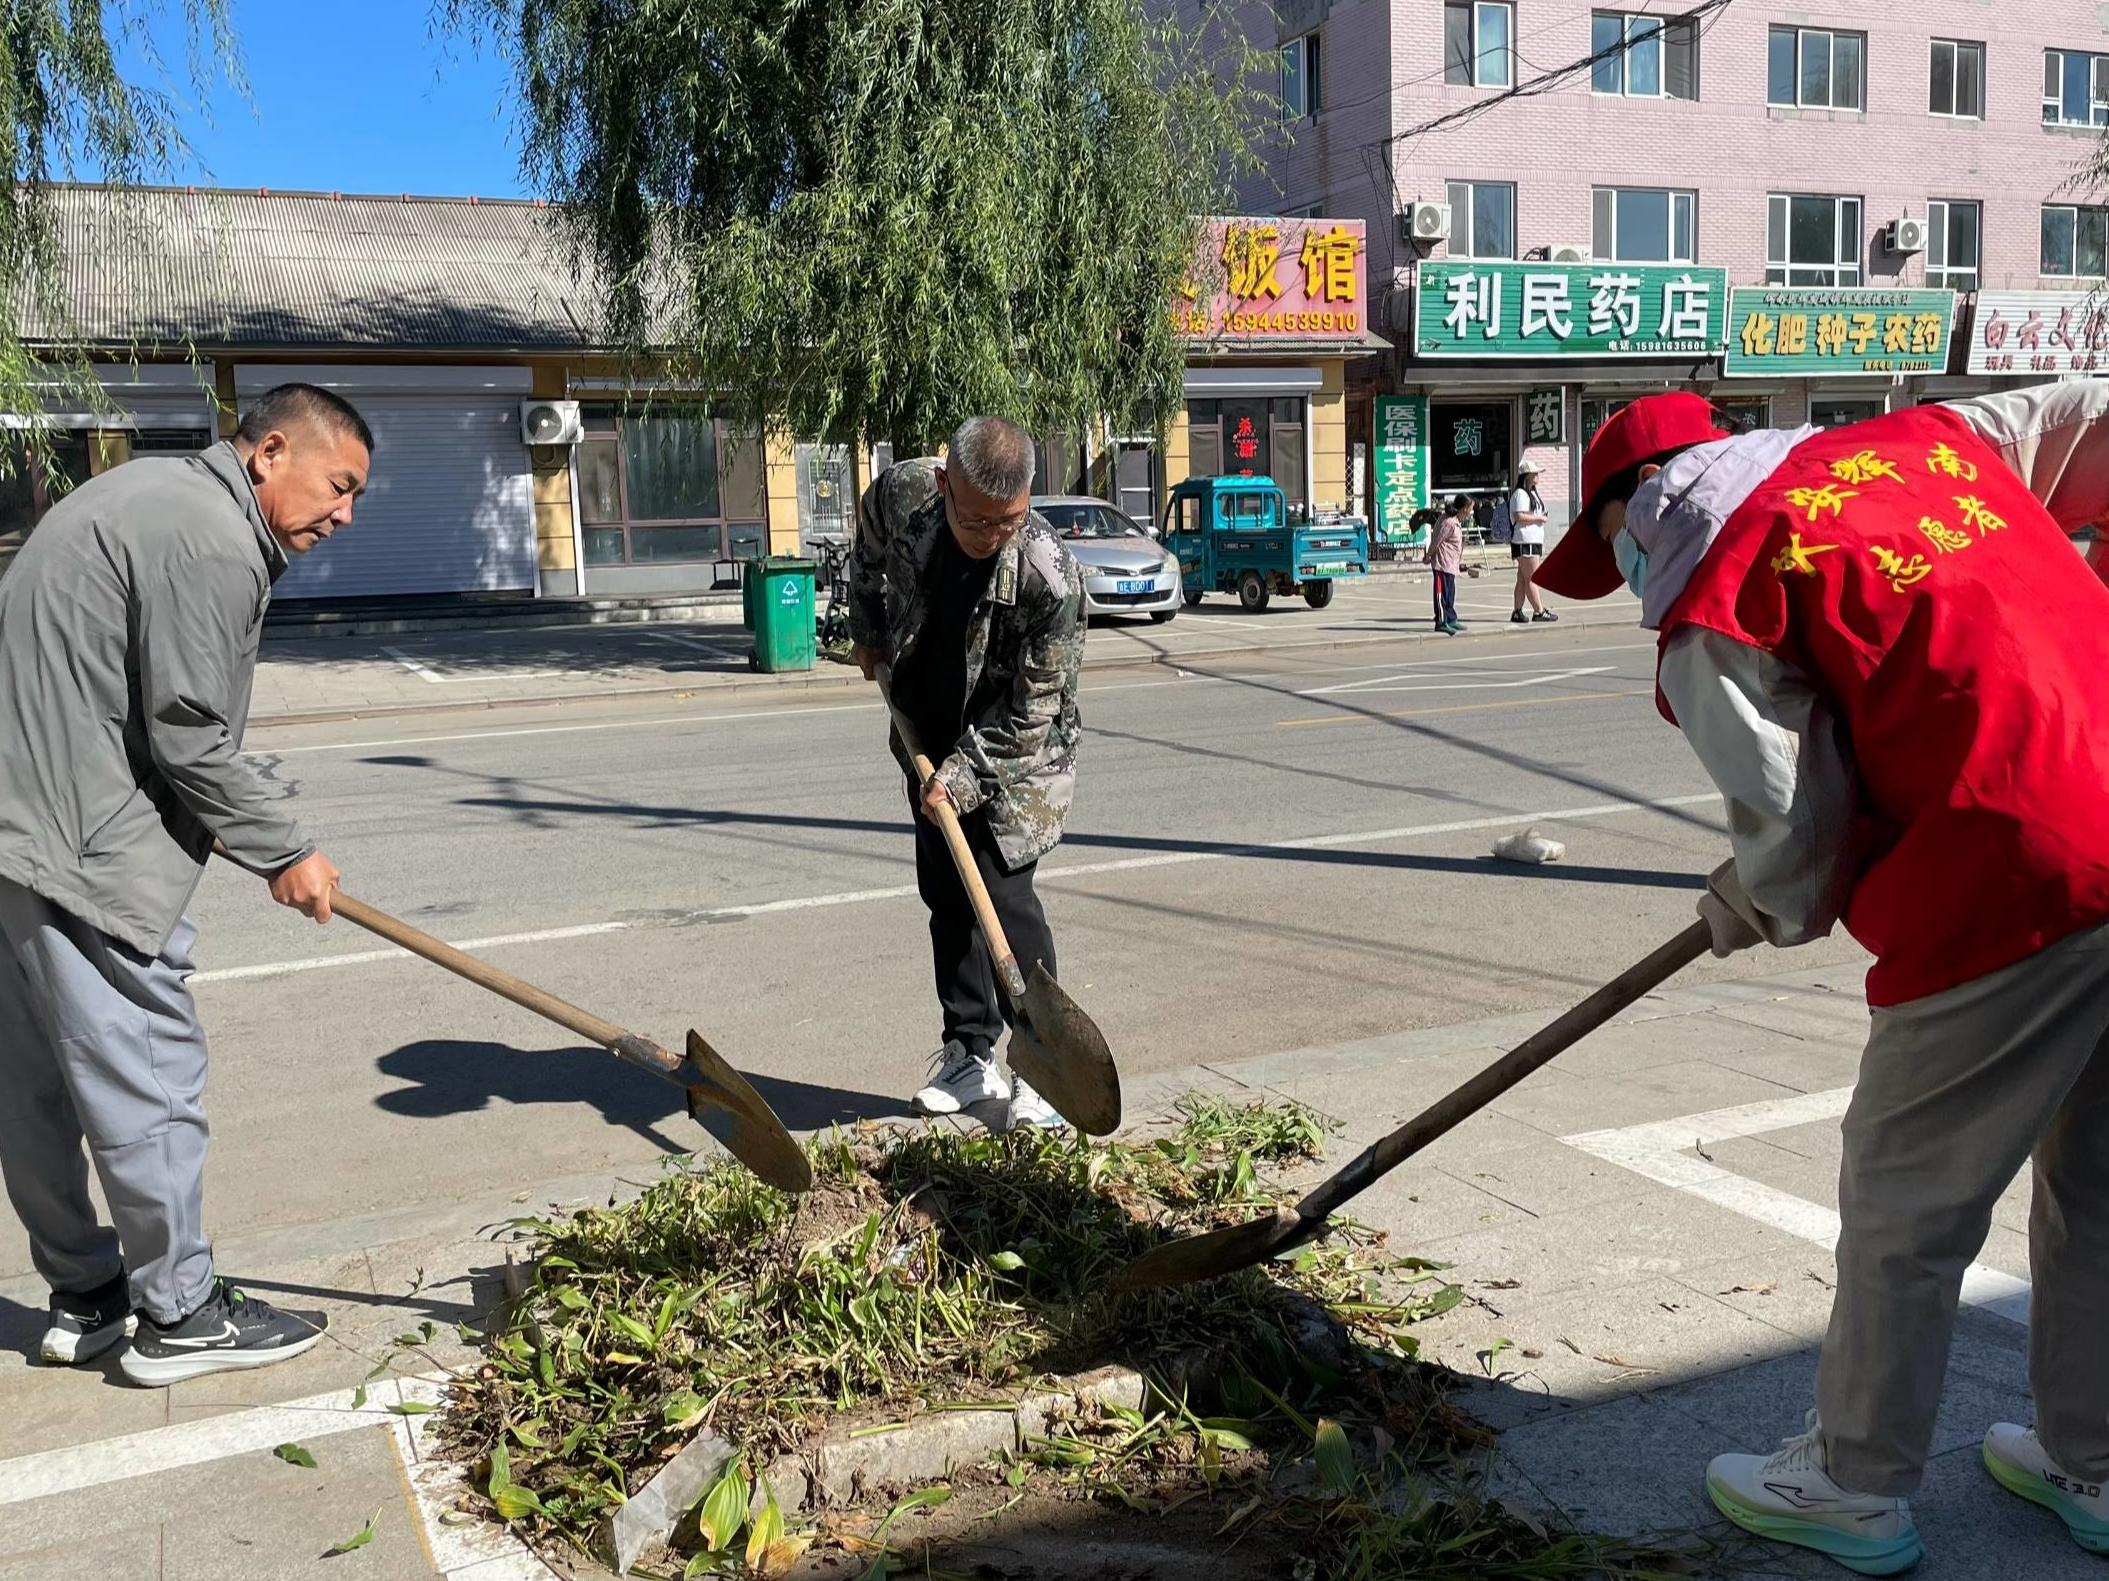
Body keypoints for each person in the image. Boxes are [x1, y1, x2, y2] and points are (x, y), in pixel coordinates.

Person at [1534, 387, 2109, 1574]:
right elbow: (2091, 418)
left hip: (2013, 869)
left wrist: (1745, 897)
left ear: (1632, 510)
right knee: (2101, 1185)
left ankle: (1851, 1482)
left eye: (1610, 552)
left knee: (1907, 1201)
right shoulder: (1929, 441)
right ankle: (2095, 1461)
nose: (1627, 573)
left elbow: (1796, 858)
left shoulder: (1721, 590)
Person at [0, 383, 370, 1387]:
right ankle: (179, 1315)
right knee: (149, 1080)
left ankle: (86, 1296)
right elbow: (189, 729)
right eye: (338, 487)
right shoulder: (212, 532)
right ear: (271, 452)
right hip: (86, 847)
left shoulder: (151, 495)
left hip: (16, 835)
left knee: (33, 1089)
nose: (342, 516)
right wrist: (286, 846)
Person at [848, 417, 1085, 1131]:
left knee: (1004, 896)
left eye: (1009, 521)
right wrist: (868, 629)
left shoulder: (1050, 576)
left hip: (1015, 750)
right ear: (946, 485)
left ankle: (1042, 1063)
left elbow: (1032, 710)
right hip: (925, 719)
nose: (993, 536)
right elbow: (866, 548)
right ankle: (967, 1050)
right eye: (977, 521)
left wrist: (961, 776)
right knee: (946, 892)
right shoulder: (905, 493)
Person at [1508, 461, 1555, 624]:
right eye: (1535, 473)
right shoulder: (1520, 493)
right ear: (1526, 476)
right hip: (1525, 540)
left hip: (1531, 539)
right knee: (1532, 578)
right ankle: (1539, 611)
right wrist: (1539, 518)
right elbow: (1519, 516)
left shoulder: (1532, 493)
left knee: (1522, 578)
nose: (1537, 476)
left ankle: (1517, 611)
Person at [1426, 493, 1467, 635]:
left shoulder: (1455, 520)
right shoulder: (1447, 522)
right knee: (1441, 593)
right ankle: (1441, 621)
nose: (1470, 512)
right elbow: (1437, 541)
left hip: (1451, 564)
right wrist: (1428, 555)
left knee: (1450, 593)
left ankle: (1451, 618)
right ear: (1464, 509)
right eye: (1470, 508)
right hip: (1441, 563)